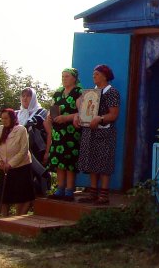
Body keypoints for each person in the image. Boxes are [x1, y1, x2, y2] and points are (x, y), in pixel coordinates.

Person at [77, 64, 121, 205]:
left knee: (103, 162)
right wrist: (79, 117)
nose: (94, 76)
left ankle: (104, 195)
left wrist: (100, 118)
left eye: (97, 74)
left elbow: (113, 114)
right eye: (93, 74)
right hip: (90, 131)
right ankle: (92, 193)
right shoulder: (91, 93)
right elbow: (85, 110)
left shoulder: (111, 92)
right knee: (91, 161)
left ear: (105, 76)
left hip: (104, 132)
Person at [47, 68, 82, 200]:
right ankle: (59, 189)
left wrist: (66, 118)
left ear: (74, 78)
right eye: (62, 76)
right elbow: (53, 108)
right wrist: (50, 116)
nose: (64, 78)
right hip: (58, 132)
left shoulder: (78, 92)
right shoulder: (58, 92)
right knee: (58, 160)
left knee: (69, 161)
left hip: (71, 132)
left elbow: (83, 112)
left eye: (67, 76)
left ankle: (69, 190)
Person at [0, 108, 35, 216]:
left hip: (21, 167)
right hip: (4, 167)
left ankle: (19, 217)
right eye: (2, 118)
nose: (4, 120)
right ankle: (4, 217)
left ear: (12, 118)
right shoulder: (0, 129)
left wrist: (11, 164)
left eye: (6, 118)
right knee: (4, 195)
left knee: (21, 195)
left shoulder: (21, 130)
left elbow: (23, 150)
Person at [17, 87, 51, 195]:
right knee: (23, 181)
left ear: (33, 98)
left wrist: (47, 152)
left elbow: (50, 133)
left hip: (38, 152)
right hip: (20, 153)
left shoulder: (42, 112)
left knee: (41, 177)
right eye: (23, 96)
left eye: (28, 96)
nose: (25, 98)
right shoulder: (17, 114)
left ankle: (42, 200)